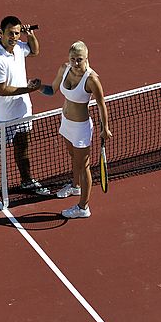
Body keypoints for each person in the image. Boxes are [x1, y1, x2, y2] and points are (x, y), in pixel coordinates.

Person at [0, 15, 51, 210]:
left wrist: (30, 35)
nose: (14, 37)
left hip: (23, 111)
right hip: (2, 116)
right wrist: (29, 89)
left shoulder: (19, 48)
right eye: (10, 33)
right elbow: (1, 90)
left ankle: (26, 181)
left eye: (17, 33)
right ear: (1, 33)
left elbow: (34, 51)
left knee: (23, 148)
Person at [45, 41, 111, 218]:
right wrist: (36, 87)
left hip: (81, 128)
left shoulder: (91, 80)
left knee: (84, 167)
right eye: (73, 59)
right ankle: (75, 187)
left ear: (86, 58)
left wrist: (105, 128)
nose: (75, 63)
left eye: (79, 59)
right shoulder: (64, 68)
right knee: (73, 157)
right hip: (66, 122)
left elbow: (101, 104)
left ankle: (83, 208)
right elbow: (52, 89)